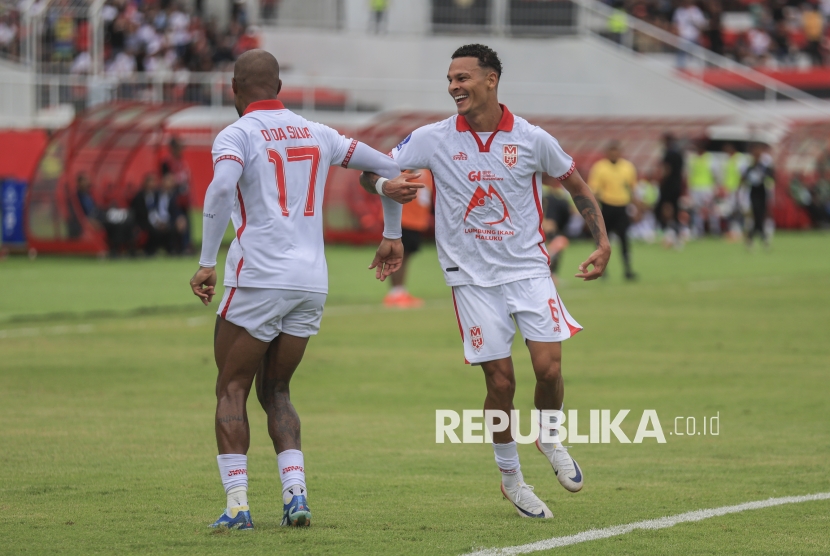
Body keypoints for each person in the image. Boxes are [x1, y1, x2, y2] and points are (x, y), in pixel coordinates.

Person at [360, 44, 611, 520]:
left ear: (491, 79)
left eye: (463, 77)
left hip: (529, 270)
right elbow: (371, 168)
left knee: (550, 369)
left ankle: (549, 437)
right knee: (501, 382)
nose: (454, 86)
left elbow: (576, 185)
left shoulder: (532, 137)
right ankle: (512, 478)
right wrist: (382, 187)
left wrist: (602, 242)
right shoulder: (432, 139)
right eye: (450, 79)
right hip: (471, 280)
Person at [188, 49, 420, 530]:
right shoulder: (318, 133)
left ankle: (237, 507)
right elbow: (393, 169)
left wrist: (207, 261)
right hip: (311, 283)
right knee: (277, 389)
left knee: (230, 387)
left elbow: (220, 189)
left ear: (235, 88)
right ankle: (296, 496)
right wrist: (392, 232)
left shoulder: (237, 134)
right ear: (278, 87)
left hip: (258, 277)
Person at [384, 169, 434, 308]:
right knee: (398, 256)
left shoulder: (427, 171)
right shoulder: (409, 166)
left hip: (416, 221)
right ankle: (395, 293)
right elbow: (394, 178)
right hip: (403, 219)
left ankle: (400, 292)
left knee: (406, 257)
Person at [588, 141, 638, 280]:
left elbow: (632, 189)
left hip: (622, 207)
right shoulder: (600, 168)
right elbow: (595, 190)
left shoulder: (628, 167)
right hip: (606, 206)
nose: (614, 154)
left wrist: (637, 207)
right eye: (611, 151)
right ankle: (601, 270)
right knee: (602, 242)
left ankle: (628, 270)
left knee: (624, 240)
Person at [740, 142, 775, 249]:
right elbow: (743, 179)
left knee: (761, 215)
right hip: (754, 193)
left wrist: (765, 177)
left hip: (762, 192)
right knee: (756, 214)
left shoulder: (764, 168)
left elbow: (772, 176)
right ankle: (763, 238)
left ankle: (751, 238)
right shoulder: (750, 168)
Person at [657, 133, 684, 248]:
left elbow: (666, 170)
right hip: (677, 185)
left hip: (669, 185)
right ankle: (676, 233)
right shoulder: (680, 154)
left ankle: (668, 231)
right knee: (675, 208)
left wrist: (661, 181)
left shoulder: (668, 154)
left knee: (665, 208)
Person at [687, 140, 719, 237]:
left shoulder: (710, 158)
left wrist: (715, 187)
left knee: (710, 209)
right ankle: (699, 230)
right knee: (697, 210)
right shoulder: (693, 159)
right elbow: (690, 175)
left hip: (706, 188)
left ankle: (715, 229)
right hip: (695, 188)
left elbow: (715, 174)